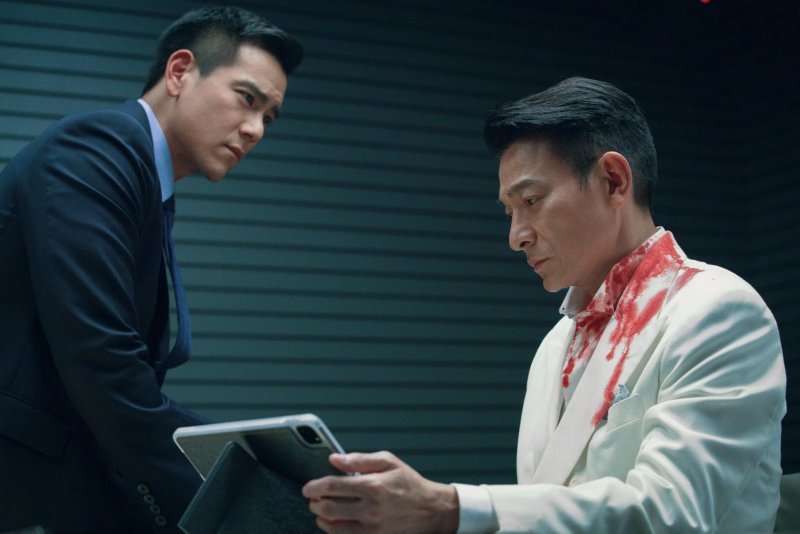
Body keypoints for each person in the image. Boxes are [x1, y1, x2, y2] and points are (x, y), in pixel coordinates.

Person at [302, 77, 787, 533]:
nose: (516, 237)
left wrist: (451, 508)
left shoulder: (718, 311)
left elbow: (673, 513)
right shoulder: (556, 344)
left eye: (532, 201)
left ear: (614, 181)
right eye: (509, 212)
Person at [0, 6, 302, 532]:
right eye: (247, 99)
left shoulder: (140, 176)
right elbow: (103, 360)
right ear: (180, 72)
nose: (255, 129)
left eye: (269, 118)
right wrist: (242, 505)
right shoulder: (96, 151)